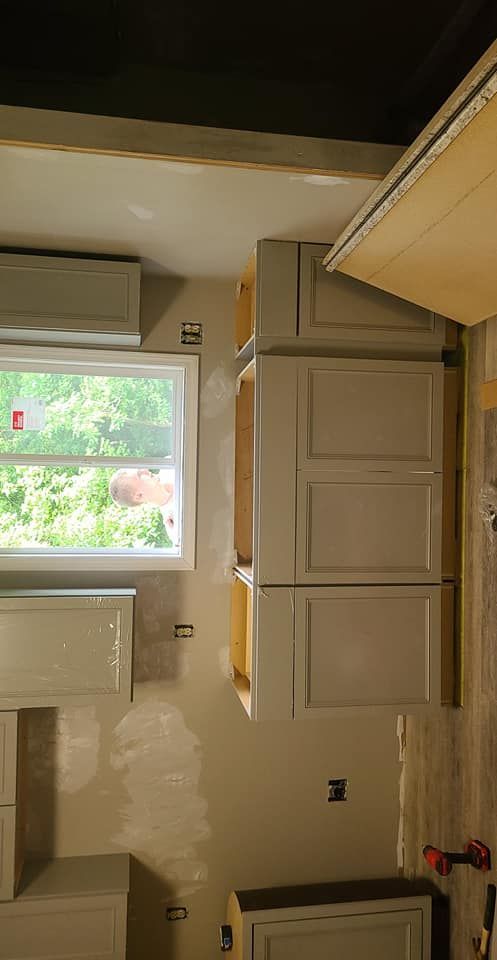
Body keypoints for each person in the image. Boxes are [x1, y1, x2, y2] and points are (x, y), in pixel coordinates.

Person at [109, 467, 177, 539]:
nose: (145, 469)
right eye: (139, 474)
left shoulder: (171, 467)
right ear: (139, 495)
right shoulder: (174, 526)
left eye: (140, 468)